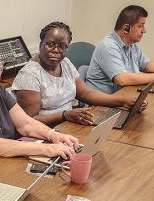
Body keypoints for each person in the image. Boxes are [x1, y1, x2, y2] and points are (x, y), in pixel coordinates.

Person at [12, 22, 147, 127]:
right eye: (50, 44)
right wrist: (64, 115)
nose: (56, 50)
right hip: (43, 132)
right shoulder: (29, 75)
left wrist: (123, 102)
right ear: (41, 44)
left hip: (68, 124)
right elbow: (29, 121)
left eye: (62, 46)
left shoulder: (65, 63)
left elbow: (85, 93)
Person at [86, 5, 154, 94]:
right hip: (100, 106)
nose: (144, 30)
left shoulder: (131, 44)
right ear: (126, 28)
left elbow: (146, 65)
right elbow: (122, 79)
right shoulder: (108, 46)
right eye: (140, 26)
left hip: (122, 97)